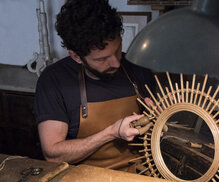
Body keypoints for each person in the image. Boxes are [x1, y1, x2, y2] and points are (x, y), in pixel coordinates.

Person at [34, 0, 155, 171]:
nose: (116, 63)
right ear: (76, 57)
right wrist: (111, 133)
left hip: (139, 173)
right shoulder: (54, 81)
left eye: (118, 49)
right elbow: (53, 155)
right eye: (101, 59)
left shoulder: (137, 68)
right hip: (84, 181)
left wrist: (165, 112)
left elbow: (156, 128)